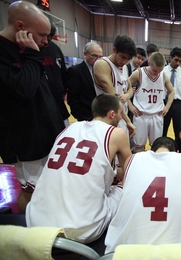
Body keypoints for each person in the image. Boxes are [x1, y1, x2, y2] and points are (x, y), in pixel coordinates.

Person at [26, 94, 132, 244]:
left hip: (36, 222)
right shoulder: (117, 133)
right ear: (112, 114)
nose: (121, 118)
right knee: (123, 186)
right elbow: (131, 172)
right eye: (121, 113)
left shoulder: (69, 128)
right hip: (80, 229)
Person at [0, 1, 65, 213]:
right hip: (26, 143)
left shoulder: (30, 50)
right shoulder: (12, 52)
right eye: (41, 35)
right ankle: (31, 237)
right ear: (20, 27)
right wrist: (32, 54)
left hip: (46, 135)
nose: (45, 42)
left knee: (51, 189)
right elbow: (24, 89)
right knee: (32, 194)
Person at [104, 136, 181, 253]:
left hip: (127, 251)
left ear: (151, 151)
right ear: (177, 153)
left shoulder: (132, 159)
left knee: (121, 188)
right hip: (178, 252)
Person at [128, 52, 175, 152]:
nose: (157, 73)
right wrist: (130, 106)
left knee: (156, 147)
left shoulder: (163, 75)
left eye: (160, 70)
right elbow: (124, 89)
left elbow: (172, 91)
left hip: (157, 115)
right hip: (141, 115)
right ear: (149, 62)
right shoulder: (139, 73)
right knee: (139, 147)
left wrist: (167, 107)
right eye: (155, 70)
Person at [93, 34, 137, 137]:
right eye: (123, 57)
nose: (124, 61)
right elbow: (114, 100)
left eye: (128, 59)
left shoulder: (125, 67)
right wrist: (128, 120)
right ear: (114, 50)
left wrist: (127, 95)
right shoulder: (102, 64)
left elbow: (130, 89)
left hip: (121, 116)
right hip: (107, 119)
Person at [40, 20, 70, 126]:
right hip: (41, 107)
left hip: (59, 103)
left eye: (50, 37)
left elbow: (63, 72)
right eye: (44, 36)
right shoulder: (28, 50)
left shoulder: (55, 49)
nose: (47, 41)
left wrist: (65, 88)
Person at [67, 42, 103, 121]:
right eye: (94, 56)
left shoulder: (102, 70)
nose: (97, 59)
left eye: (100, 57)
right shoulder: (75, 71)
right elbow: (72, 97)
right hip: (86, 116)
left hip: (101, 114)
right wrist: (79, 116)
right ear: (85, 54)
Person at [163, 47, 181, 140]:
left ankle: (179, 151)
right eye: (176, 60)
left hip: (178, 104)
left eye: (180, 61)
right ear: (170, 58)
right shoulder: (162, 71)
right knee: (162, 129)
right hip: (164, 103)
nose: (178, 63)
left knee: (179, 131)